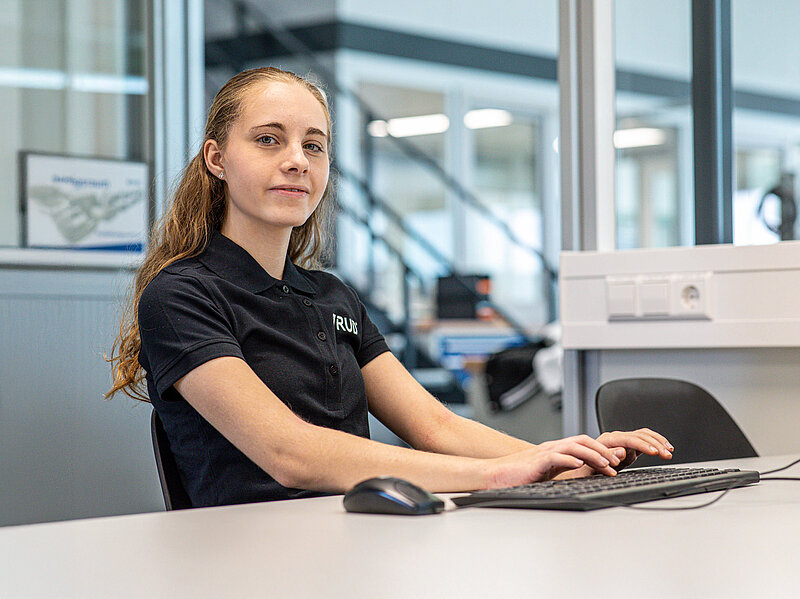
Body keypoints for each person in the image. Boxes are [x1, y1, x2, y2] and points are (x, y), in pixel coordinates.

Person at [107, 67, 673, 508]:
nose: (296, 161)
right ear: (217, 159)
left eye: (314, 145)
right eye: (268, 140)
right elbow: (290, 454)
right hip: (251, 551)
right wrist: (500, 475)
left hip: (359, 531)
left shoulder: (332, 296)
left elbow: (435, 424)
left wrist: (562, 459)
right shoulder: (180, 295)